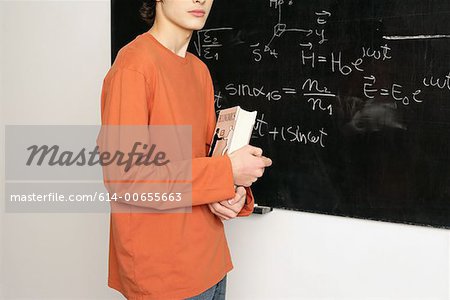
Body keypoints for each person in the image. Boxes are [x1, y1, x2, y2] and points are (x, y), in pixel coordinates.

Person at [99, 0, 272, 299]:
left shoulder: (198, 71)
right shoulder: (134, 67)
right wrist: (227, 170)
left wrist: (232, 191)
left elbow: (208, 159)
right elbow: (127, 180)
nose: (200, 0)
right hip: (164, 276)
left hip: (212, 261)